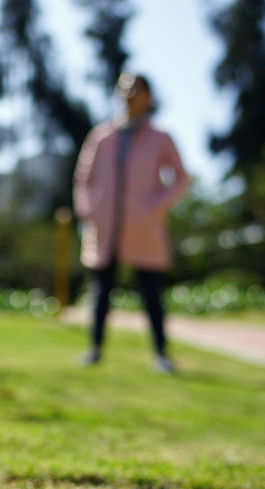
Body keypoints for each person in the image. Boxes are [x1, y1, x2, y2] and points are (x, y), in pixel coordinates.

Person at [73, 72, 190, 373]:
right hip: (105, 230)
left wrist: (154, 207)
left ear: (148, 96)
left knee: (152, 295)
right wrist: (90, 211)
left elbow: (180, 178)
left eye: (135, 89)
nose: (128, 94)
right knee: (101, 293)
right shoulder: (101, 136)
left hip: (143, 230)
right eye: (123, 88)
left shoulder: (160, 138)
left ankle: (161, 354)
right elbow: (83, 179)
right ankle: (95, 349)